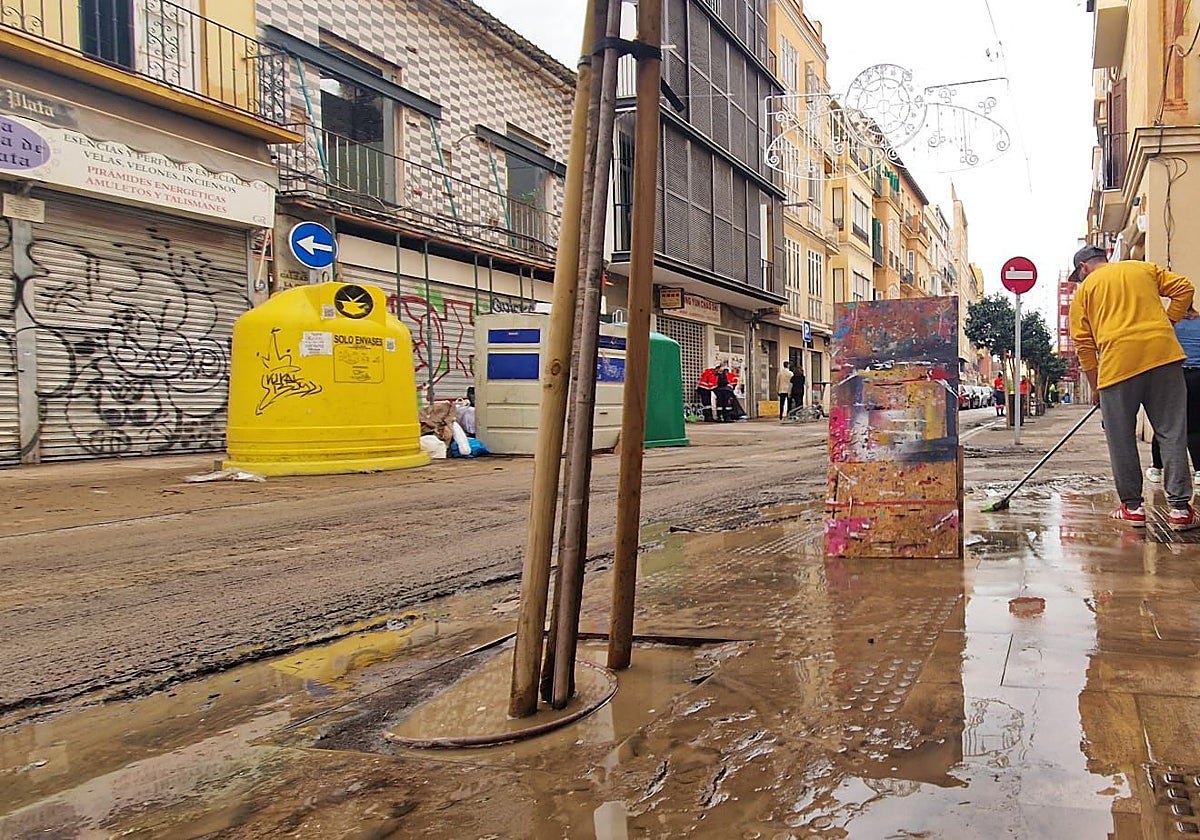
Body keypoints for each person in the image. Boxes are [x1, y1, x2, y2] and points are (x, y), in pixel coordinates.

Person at [1068, 244, 1199, 530]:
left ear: (1084, 268)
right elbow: (1185, 289)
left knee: (1121, 438)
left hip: (1118, 366)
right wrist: (1168, 321)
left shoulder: (1085, 291)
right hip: (1164, 357)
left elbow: (1085, 345)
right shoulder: (1143, 268)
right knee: (1172, 432)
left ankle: (1132, 507)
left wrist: (1096, 386)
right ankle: (1179, 510)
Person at [1145, 308, 1200, 484]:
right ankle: (1199, 471)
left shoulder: (1168, 325)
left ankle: (1156, 468)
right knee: (1195, 426)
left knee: (1166, 424)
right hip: (1198, 378)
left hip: (1174, 376)